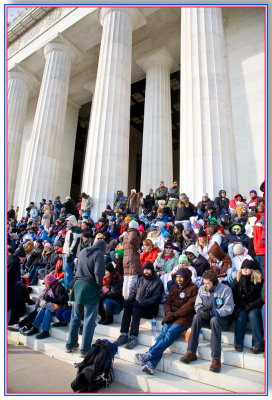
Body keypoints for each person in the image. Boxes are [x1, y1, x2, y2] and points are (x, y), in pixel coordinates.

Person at [136, 268, 198, 375]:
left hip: (184, 318)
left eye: (181, 277)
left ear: (186, 278)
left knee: (169, 333)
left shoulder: (193, 289)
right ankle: (151, 364)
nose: (179, 279)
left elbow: (189, 307)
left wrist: (174, 315)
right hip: (171, 316)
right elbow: (167, 302)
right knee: (163, 334)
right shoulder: (173, 287)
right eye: (177, 277)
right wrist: (168, 313)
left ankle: (150, 353)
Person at [180, 270, 234, 373]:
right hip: (208, 316)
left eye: (208, 283)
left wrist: (215, 313)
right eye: (204, 283)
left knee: (214, 320)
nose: (205, 285)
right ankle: (191, 352)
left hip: (222, 319)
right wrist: (200, 310)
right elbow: (197, 304)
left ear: (214, 282)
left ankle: (216, 358)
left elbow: (229, 308)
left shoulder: (225, 290)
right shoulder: (202, 289)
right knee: (196, 317)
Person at [65, 238, 106, 356]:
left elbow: (76, 268)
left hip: (78, 285)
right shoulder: (99, 254)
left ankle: (70, 344)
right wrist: (99, 285)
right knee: (89, 320)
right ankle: (85, 349)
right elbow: (98, 273)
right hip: (90, 287)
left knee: (75, 318)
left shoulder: (83, 251)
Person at [114, 261, 164, 349]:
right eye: (145, 270)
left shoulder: (157, 282)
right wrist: (128, 300)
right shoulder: (140, 279)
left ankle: (133, 337)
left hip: (150, 309)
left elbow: (155, 299)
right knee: (128, 306)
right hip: (138, 305)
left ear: (152, 270)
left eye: (148, 270)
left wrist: (141, 303)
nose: (146, 272)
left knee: (136, 308)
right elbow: (134, 291)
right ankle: (124, 334)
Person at [232, 259, 264, 353]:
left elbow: (262, 298)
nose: (245, 270)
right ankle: (238, 343)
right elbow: (233, 296)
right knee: (241, 315)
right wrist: (241, 306)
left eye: (248, 268)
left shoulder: (259, 280)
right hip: (241, 306)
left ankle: (258, 345)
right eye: (243, 268)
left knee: (253, 315)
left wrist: (250, 306)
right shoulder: (237, 280)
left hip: (254, 306)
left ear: (252, 269)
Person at [25, 274, 68, 339]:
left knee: (48, 310)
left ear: (49, 283)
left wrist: (51, 300)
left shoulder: (60, 287)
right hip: (52, 305)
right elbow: (46, 297)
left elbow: (64, 299)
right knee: (43, 308)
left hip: (60, 306)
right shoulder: (50, 288)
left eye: (46, 284)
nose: (45, 285)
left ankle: (45, 331)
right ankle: (35, 327)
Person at [122, 220, 142, 299]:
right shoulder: (133, 232)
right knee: (132, 279)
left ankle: (125, 297)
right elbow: (132, 240)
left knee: (126, 279)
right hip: (132, 258)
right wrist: (137, 248)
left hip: (126, 258)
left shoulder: (126, 234)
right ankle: (129, 299)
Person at [62, 215, 82, 289]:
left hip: (70, 253)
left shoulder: (77, 230)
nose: (67, 223)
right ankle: (67, 285)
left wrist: (71, 253)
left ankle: (69, 287)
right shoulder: (70, 230)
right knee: (65, 270)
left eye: (68, 221)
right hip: (66, 252)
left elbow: (75, 242)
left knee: (68, 271)